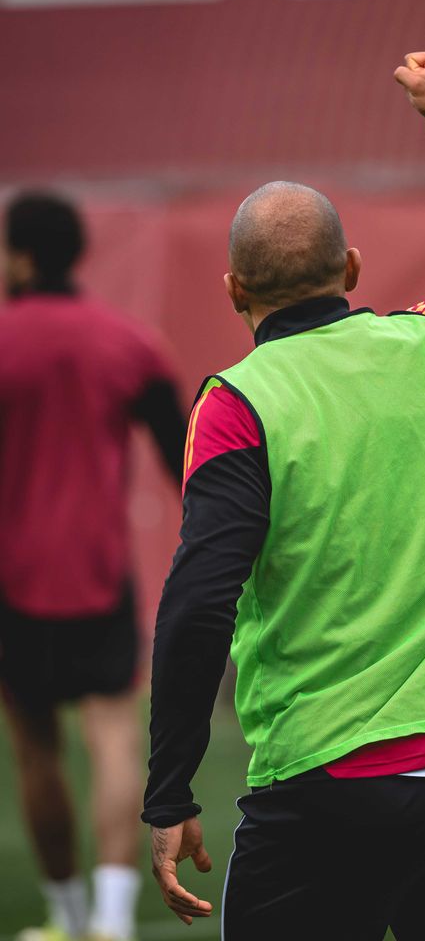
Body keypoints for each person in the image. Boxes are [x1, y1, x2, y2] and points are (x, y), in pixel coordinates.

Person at [142, 50, 425, 939]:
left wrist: (170, 787)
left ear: (234, 291)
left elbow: (200, 602)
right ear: (353, 267)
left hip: (321, 793)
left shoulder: (238, 403)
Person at [0, 192, 188, 941]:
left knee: (37, 750)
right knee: (113, 739)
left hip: (12, 582)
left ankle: (66, 918)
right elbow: (185, 462)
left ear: (16, 255)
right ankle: (112, 925)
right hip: (101, 574)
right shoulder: (129, 343)